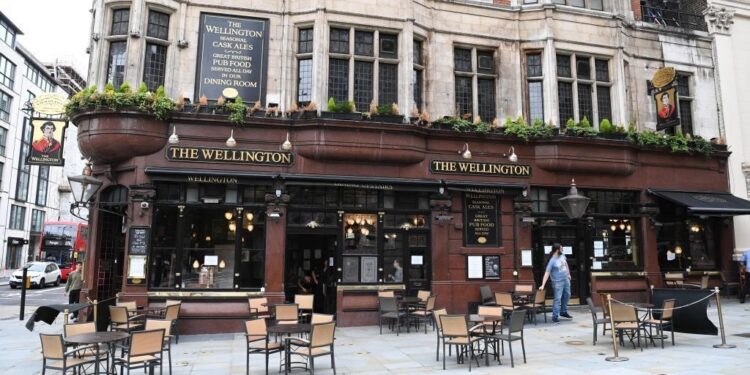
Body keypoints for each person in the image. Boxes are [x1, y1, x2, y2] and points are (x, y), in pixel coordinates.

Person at [539, 244, 572, 323]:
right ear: (557, 250)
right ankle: (555, 316)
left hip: (565, 279)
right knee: (557, 298)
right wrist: (543, 285)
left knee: (567, 294)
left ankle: (563, 311)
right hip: (557, 282)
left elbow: (566, 264)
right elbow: (547, 273)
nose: (562, 250)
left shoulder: (562, 256)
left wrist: (568, 274)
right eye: (561, 249)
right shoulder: (552, 261)